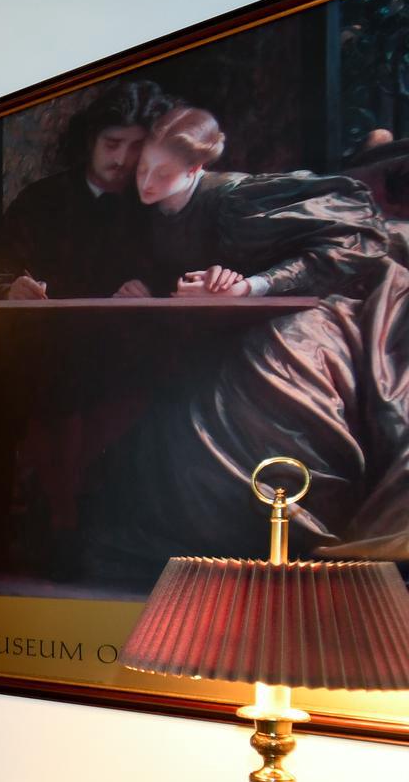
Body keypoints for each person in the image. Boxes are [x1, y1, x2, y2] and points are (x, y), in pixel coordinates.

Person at [83, 105, 409, 580]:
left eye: (162, 172)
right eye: (142, 169)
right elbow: (188, 266)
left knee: (272, 366)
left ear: (196, 169)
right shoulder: (150, 209)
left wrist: (251, 286)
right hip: (250, 305)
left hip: (351, 285)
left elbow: (349, 243)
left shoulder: (237, 199)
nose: (146, 183)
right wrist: (151, 288)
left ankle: (302, 534)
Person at [0, 79, 174, 301]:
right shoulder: (40, 199)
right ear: (91, 140)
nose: (122, 160)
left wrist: (150, 293)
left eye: (136, 147)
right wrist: (11, 290)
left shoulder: (160, 204)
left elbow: (175, 276)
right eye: (112, 144)